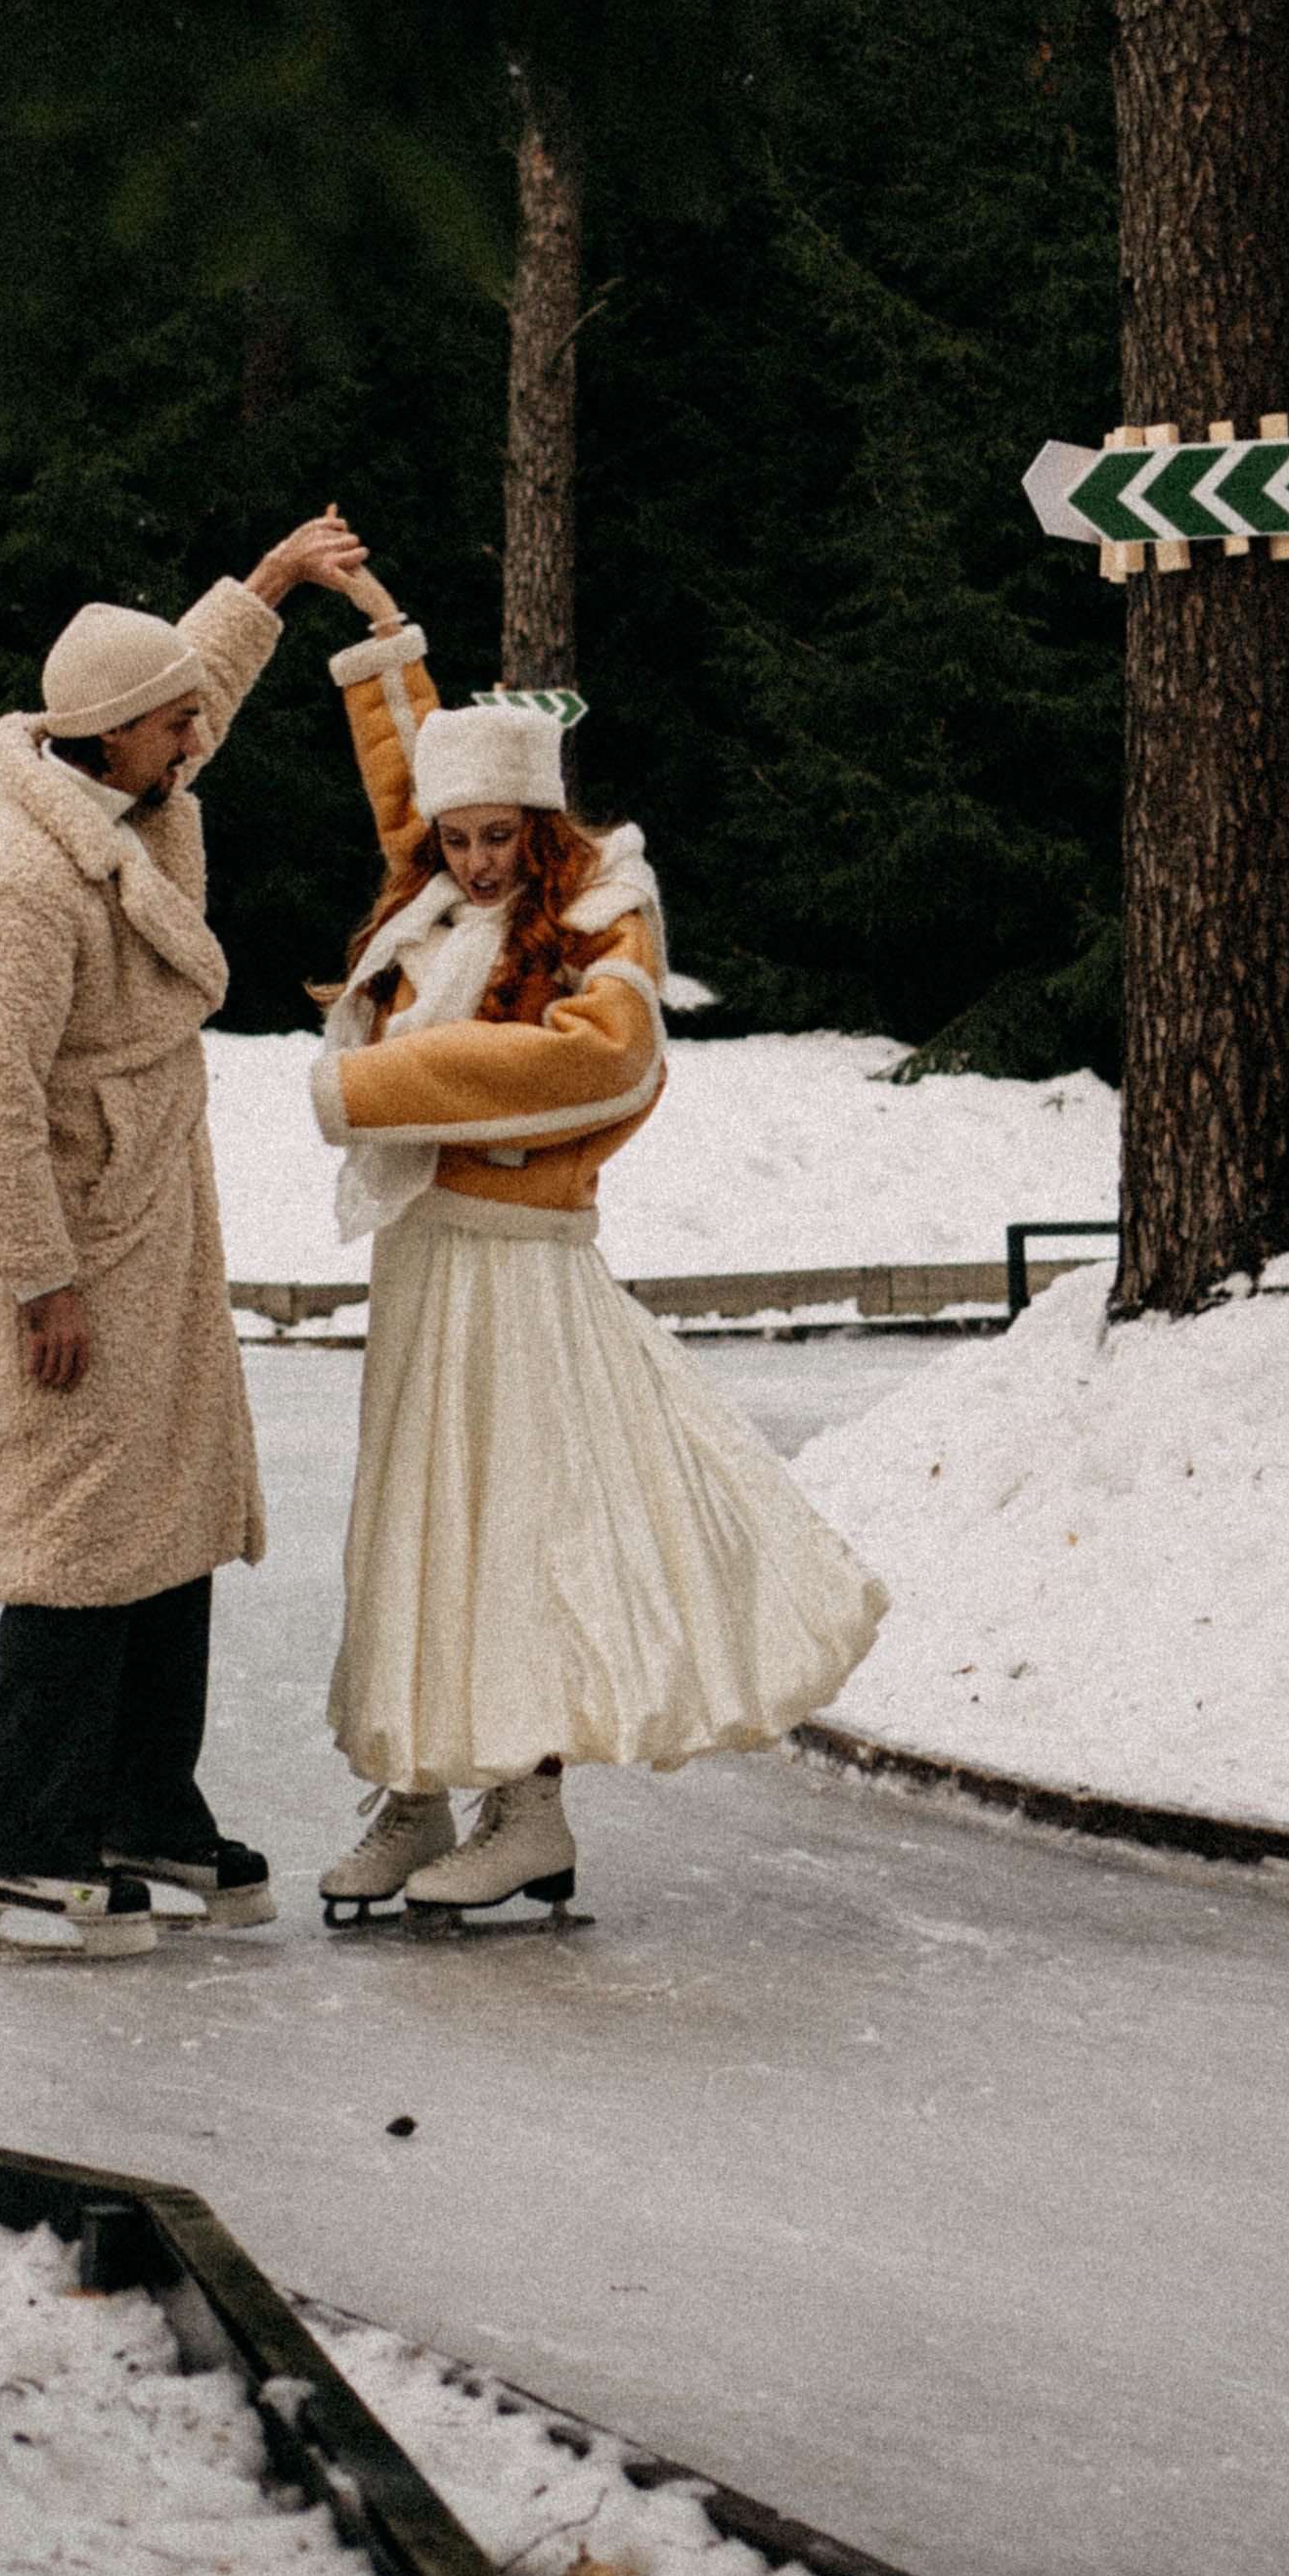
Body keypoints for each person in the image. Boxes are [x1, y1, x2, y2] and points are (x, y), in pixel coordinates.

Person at [307, 592, 888, 1922]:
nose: (473, 859)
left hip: (521, 1266)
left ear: (542, 824)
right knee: (410, 1529)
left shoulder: (602, 915)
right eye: (454, 839)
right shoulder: (438, 902)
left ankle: (527, 1806)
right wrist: (377, 622)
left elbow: (603, 1057)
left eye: (497, 834)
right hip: (422, 1255)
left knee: (515, 1528)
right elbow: (415, 769)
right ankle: (417, 1791)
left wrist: (373, 1089)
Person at [0, 510, 368, 1962]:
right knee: (73, 1531)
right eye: (174, 726)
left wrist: (271, 586)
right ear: (112, 737)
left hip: (151, 1219)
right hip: (72, 1243)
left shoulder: (118, 789)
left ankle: (138, 1807)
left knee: (164, 1513)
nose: (197, 742)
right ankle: (13, 1842)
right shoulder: (7, 883)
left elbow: (200, 687)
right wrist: (33, 1280)